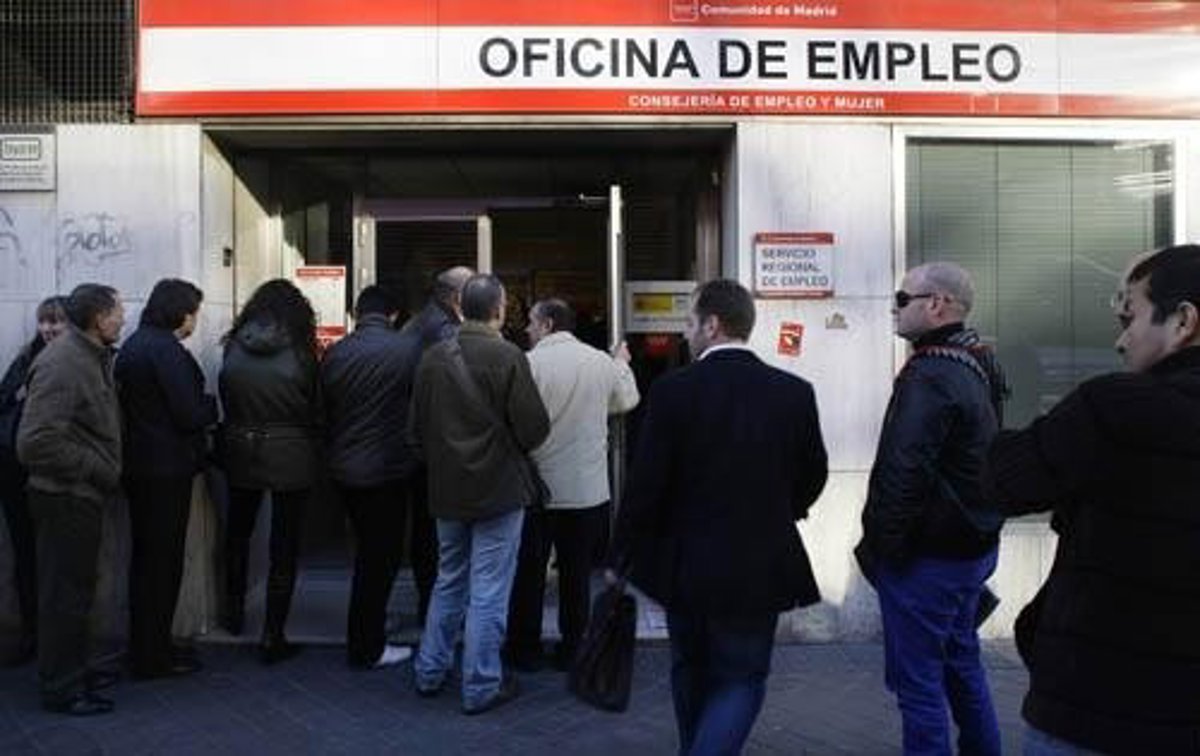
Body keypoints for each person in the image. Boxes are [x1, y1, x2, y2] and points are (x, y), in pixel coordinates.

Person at [983, 244, 1200, 755]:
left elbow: (1001, 482)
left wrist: (994, 395)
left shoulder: (1116, 406)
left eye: (1131, 317)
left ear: (1183, 321)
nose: (1121, 341)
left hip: (1098, 705)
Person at [608, 279, 828, 755]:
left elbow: (645, 485)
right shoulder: (793, 393)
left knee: (689, 667)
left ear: (712, 325)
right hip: (760, 561)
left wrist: (623, 553)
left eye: (689, 323)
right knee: (742, 677)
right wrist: (779, 510)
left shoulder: (672, 391)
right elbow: (814, 473)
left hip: (686, 562)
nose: (685, 333)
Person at [854, 262, 1007, 756]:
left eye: (903, 299)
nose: (894, 309)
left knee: (918, 685)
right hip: (970, 547)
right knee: (961, 663)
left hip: (929, 558)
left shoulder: (930, 374)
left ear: (937, 304)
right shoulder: (976, 359)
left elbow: (903, 471)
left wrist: (884, 551)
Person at [408, 273, 549, 715]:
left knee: (448, 579)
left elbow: (415, 432)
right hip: (499, 491)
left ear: (459, 307)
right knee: (489, 589)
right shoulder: (508, 356)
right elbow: (534, 429)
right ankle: (481, 683)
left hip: (447, 490)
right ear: (499, 310)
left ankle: (429, 670)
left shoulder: (432, 358)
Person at [505, 297, 639, 672]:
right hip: (586, 490)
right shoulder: (599, 361)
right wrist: (621, 364)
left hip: (536, 490)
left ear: (547, 324)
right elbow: (626, 400)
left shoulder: (527, 363)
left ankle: (524, 650)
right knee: (576, 575)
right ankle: (573, 648)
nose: (527, 329)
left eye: (532, 322)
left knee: (529, 575)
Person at [17, 284, 124, 715]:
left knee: (76, 592)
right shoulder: (64, 363)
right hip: (64, 497)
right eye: (117, 311)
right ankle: (62, 687)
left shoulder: (90, 356)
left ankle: (73, 670)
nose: (122, 318)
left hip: (79, 495)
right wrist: (95, 467)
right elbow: (35, 442)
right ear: (99, 319)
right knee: (64, 595)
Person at [115, 279, 217, 679]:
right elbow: (189, 413)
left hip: (140, 467)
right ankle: (154, 654)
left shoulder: (135, 345)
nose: (195, 320)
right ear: (181, 313)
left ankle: (147, 646)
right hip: (166, 470)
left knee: (146, 563)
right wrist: (211, 407)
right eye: (194, 312)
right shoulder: (165, 351)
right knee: (162, 564)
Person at [218, 278, 321, 664]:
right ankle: (272, 634)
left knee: (237, 535)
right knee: (284, 545)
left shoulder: (234, 345)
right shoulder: (301, 351)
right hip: (291, 450)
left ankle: (233, 615)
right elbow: (315, 404)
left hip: (241, 447)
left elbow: (226, 397)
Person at [321, 285, 421, 669]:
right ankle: (366, 645)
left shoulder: (336, 353)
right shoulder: (408, 350)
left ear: (355, 314)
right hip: (387, 469)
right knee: (380, 559)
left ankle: (369, 627)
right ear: (393, 314)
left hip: (345, 468)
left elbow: (325, 409)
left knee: (367, 553)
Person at [398, 265, 474, 626]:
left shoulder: (418, 321)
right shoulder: (444, 330)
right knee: (437, 535)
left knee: (426, 531)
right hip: (439, 447)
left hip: (420, 443)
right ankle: (436, 609)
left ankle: (430, 603)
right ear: (457, 297)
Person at [0, 296, 67, 666]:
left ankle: (55, 636)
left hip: (50, 470)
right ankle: (32, 632)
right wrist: (20, 393)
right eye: (44, 321)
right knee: (26, 554)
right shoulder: (26, 358)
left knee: (56, 558)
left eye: (56, 321)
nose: (48, 328)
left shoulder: (77, 361)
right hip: (14, 470)